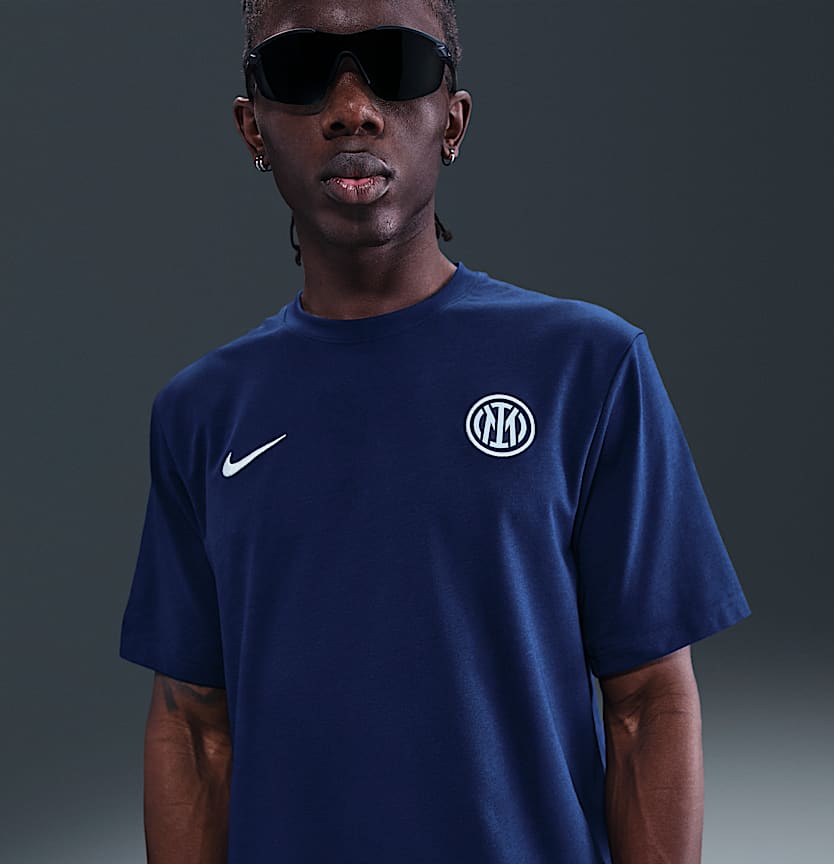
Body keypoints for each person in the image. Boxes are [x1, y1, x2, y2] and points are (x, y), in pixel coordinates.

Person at [118, 1, 752, 862]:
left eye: (396, 65)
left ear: (452, 121)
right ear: (252, 127)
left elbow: (648, 705)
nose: (352, 108)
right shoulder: (201, 413)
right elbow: (193, 727)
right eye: (301, 73)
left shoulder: (588, 368)